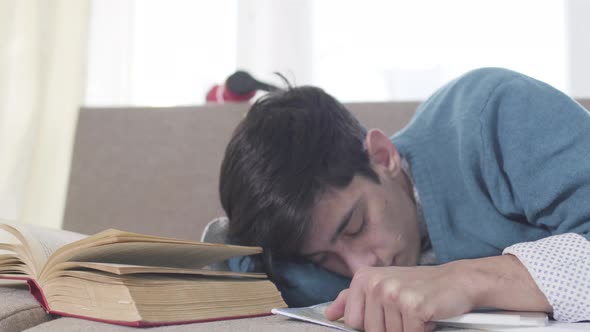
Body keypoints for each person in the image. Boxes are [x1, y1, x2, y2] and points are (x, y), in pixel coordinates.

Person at [218, 67, 590, 332]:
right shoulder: (308, 253)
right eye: (323, 258)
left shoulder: (495, 115)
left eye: (356, 226)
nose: (362, 267)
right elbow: (230, 264)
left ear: (382, 156)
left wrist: (467, 280)